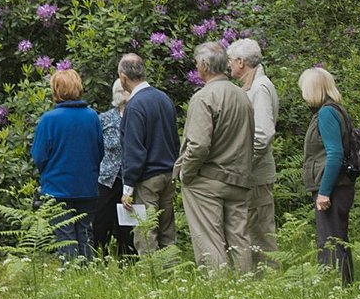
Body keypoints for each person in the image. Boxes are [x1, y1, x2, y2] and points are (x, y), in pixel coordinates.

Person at [177, 42, 255, 272]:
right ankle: (246, 287)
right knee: (240, 239)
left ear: (204, 65)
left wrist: (186, 174)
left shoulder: (204, 97)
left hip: (207, 181)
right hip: (239, 179)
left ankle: (217, 290)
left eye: (196, 63)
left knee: (209, 239)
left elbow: (198, 145)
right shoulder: (242, 96)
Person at [31, 69, 104, 263]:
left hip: (58, 188)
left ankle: (71, 277)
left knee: (65, 236)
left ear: (55, 90)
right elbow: (100, 151)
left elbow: (39, 156)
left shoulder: (49, 120)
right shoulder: (92, 117)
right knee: (85, 234)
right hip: (87, 186)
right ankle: (88, 277)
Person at [298, 67, 356, 284]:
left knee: (329, 240)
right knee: (337, 238)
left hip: (333, 187)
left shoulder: (326, 113)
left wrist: (324, 192)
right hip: (339, 185)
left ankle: (335, 287)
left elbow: (334, 154)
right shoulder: (334, 110)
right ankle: (343, 285)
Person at [117, 53, 179, 255]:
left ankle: (152, 276)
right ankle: (172, 271)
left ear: (123, 77)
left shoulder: (135, 106)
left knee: (146, 231)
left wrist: (128, 187)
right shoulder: (164, 98)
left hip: (147, 179)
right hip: (169, 174)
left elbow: (134, 150)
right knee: (167, 229)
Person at [228, 38, 279, 272]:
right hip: (251, 175)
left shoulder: (260, 87)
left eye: (230, 60)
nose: (228, 65)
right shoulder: (251, 86)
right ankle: (254, 279)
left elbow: (263, 133)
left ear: (241, 62)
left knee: (261, 234)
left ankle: (269, 281)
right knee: (249, 230)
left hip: (255, 176)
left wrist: (243, 165)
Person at [92, 79, 136, 258]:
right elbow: (95, 147)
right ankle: (99, 259)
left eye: (125, 91)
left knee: (127, 227)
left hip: (131, 179)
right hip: (107, 179)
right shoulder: (104, 118)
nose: (123, 95)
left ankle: (127, 261)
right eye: (120, 91)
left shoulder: (137, 116)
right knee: (101, 223)